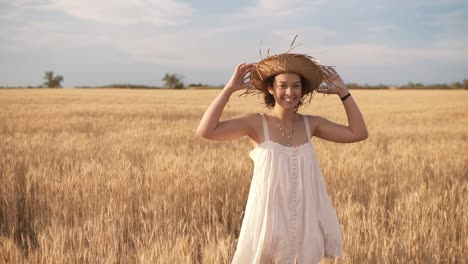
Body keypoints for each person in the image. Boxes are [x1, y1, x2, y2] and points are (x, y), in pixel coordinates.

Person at [196, 51, 368, 263]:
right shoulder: (256, 123)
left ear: (302, 90)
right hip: (269, 222)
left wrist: (344, 93)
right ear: (270, 88)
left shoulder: (311, 124)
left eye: (296, 85)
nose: (290, 92)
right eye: (283, 85)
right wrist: (229, 89)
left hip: (305, 223)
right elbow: (206, 131)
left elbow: (358, 133)